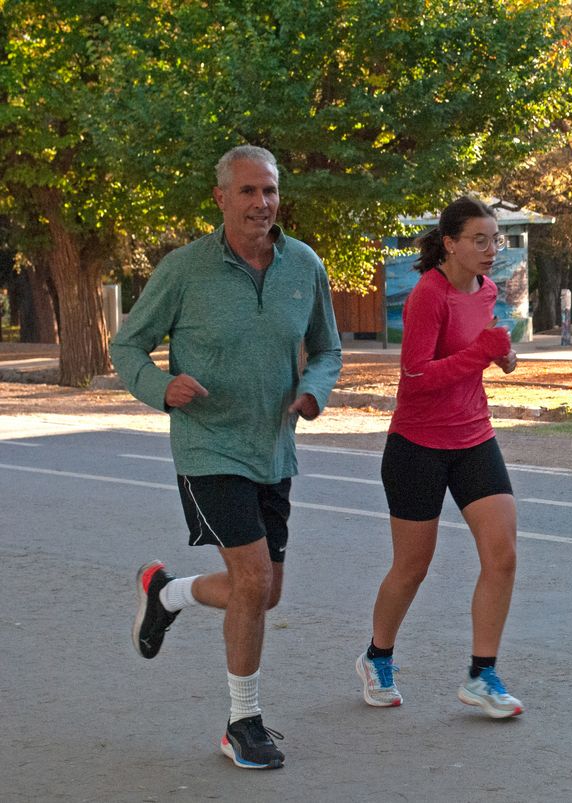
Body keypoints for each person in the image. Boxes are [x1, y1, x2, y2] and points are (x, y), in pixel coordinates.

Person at [110, 144, 342, 770]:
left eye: (269, 190)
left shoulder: (304, 265)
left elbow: (326, 348)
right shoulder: (185, 269)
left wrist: (314, 391)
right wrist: (161, 388)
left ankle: (167, 594)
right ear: (220, 198)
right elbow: (128, 345)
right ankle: (243, 721)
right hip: (208, 446)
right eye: (247, 191)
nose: (261, 203)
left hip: (274, 448)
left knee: (265, 592)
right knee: (254, 578)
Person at [356, 196, 523, 718]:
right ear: (450, 243)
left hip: (474, 437)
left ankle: (482, 674)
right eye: (479, 239)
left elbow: (482, 351)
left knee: (503, 555)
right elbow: (417, 376)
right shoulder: (428, 295)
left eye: (495, 239)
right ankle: (377, 656)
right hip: (418, 446)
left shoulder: (487, 289)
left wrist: (502, 355)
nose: (490, 249)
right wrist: (481, 353)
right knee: (412, 567)